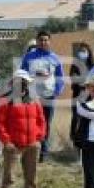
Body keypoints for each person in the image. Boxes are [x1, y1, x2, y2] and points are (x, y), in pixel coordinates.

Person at [0, 69, 46, 188]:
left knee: (32, 178)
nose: (21, 85)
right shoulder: (4, 100)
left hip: (32, 144)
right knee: (9, 177)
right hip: (13, 146)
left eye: (24, 82)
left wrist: (38, 138)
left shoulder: (34, 100)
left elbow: (41, 120)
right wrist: (7, 141)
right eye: (18, 81)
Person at [20, 31, 65, 162]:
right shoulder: (29, 57)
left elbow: (60, 78)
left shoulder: (55, 58)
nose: (43, 42)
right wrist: (23, 90)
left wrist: (57, 91)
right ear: (37, 41)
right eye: (41, 40)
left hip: (49, 96)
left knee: (46, 124)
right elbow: (22, 74)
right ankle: (31, 150)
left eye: (46, 40)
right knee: (31, 123)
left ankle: (43, 153)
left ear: (49, 42)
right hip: (32, 96)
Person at [69, 42, 94, 145]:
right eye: (80, 51)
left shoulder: (93, 66)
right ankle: (74, 139)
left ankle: (87, 139)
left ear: (89, 53)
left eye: (84, 51)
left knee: (88, 117)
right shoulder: (75, 65)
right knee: (76, 117)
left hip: (90, 95)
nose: (82, 53)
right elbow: (73, 78)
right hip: (77, 94)